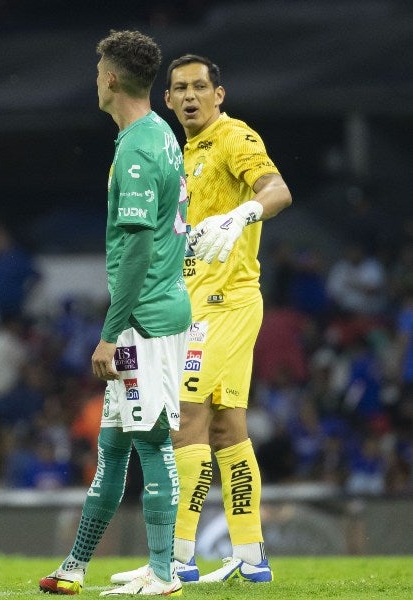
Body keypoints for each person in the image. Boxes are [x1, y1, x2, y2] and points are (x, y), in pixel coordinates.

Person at [110, 53, 292, 585]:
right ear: (166, 100)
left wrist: (244, 214)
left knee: (183, 416)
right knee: (225, 424)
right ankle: (252, 555)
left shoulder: (235, 138)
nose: (189, 96)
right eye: (179, 89)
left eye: (199, 87)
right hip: (195, 306)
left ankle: (177, 558)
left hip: (227, 304)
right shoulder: (180, 150)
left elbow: (277, 190)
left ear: (219, 94)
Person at [38, 29, 190, 596]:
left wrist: (110, 331)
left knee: (149, 440)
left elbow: (139, 251)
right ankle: (76, 565)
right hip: (151, 312)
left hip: (143, 320)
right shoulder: (157, 135)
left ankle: (163, 571)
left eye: (96, 68)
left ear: (110, 78)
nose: (93, 78)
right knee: (114, 445)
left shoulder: (139, 148)